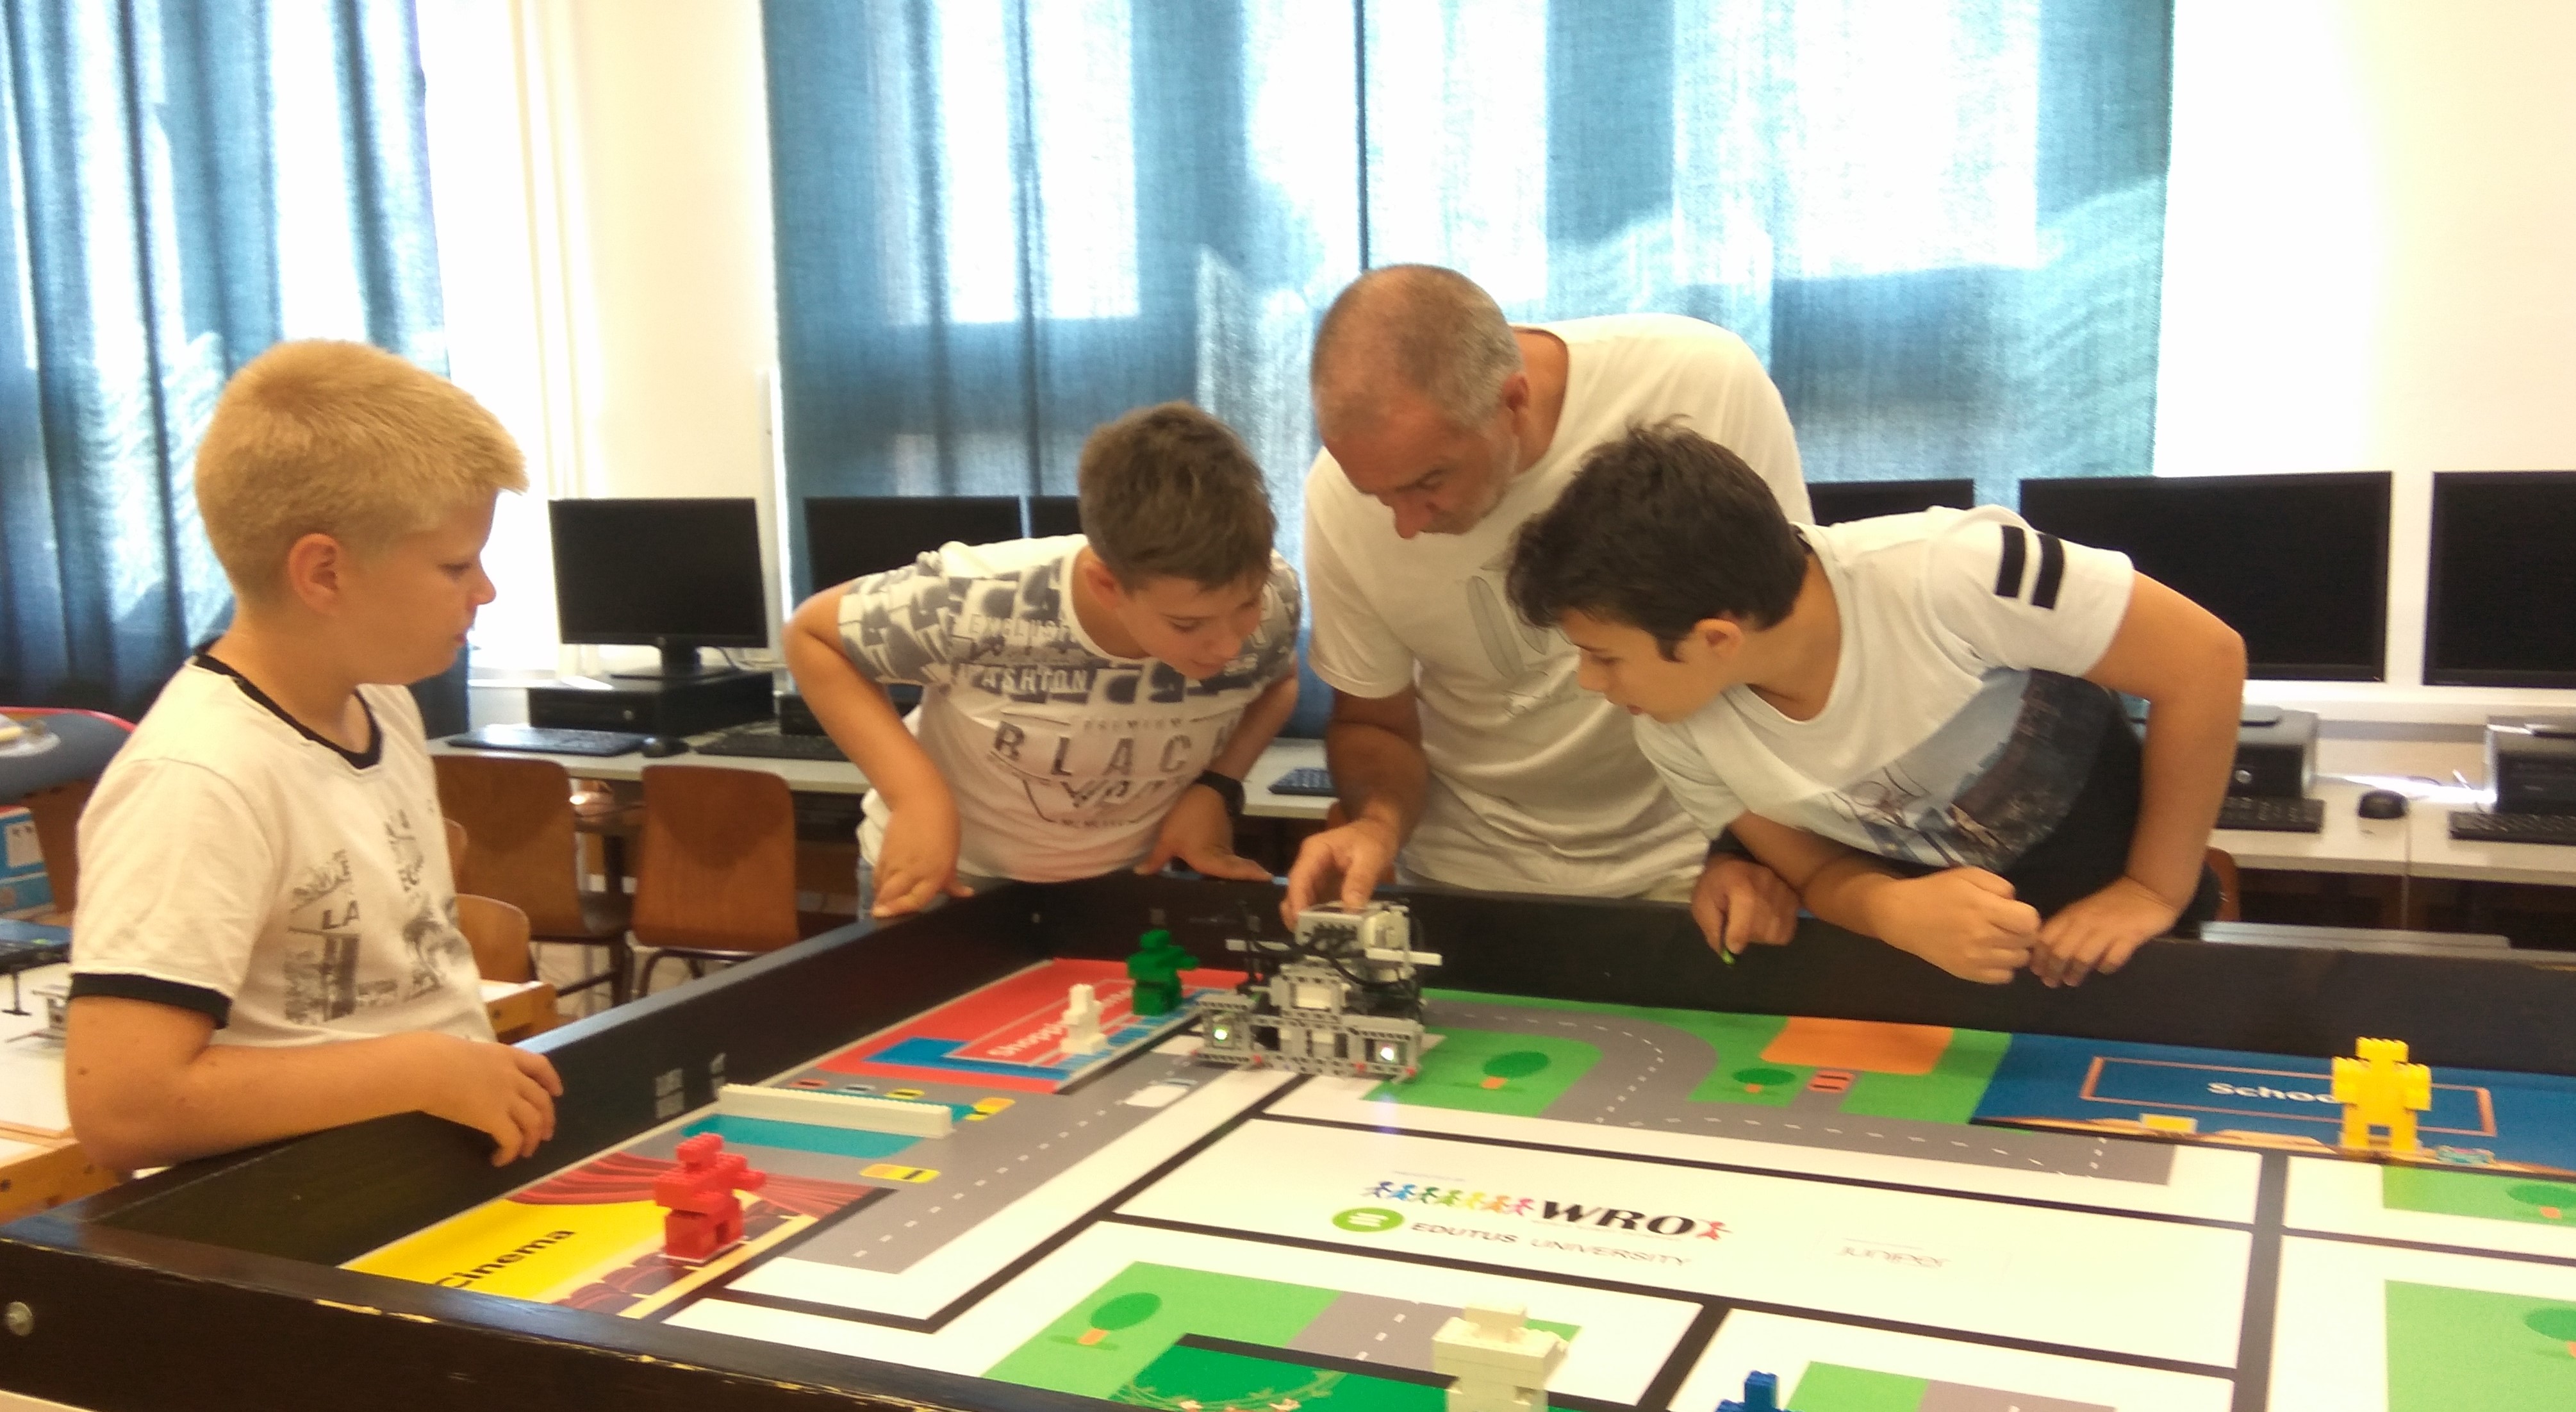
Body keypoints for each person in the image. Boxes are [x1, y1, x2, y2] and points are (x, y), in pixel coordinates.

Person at [1506, 423, 2243, 986]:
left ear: (1715, 639)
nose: (1591, 682)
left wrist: (2151, 888)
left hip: (2127, 946)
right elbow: (1815, 870)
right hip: (1934, 972)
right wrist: (1892, 911)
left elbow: (2204, 660)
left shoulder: (1953, 571)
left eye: (1604, 656)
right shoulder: (1676, 725)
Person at [65, 340, 562, 1173]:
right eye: (455, 564)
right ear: (325, 572)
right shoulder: (197, 778)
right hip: (288, 1211)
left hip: (418, 1180)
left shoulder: (383, 702)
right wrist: (418, 1069)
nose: (485, 590)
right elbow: (124, 1105)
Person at [1286, 264, 1812, 955]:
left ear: (1513, 400)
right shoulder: (1336, 497)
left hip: (1695, 868)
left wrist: (1748, 848)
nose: (1406, 524)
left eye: (1429, 481)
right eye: (1377, 495)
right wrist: (1377, 824)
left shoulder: (1702, 385)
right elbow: (1375, 723)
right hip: (1466, 880)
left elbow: (1787, 648)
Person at [784, 403, 1301, 917]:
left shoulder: (1274, 598)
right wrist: (917, 798)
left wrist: (1217, 787)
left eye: (1246, 605)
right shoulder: (975, 600)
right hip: (951, 877)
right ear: (1107, 585)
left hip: (1125, 879)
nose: (1228, 646)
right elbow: (812, 635)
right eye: (1187, 624)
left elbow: (1278, 680)